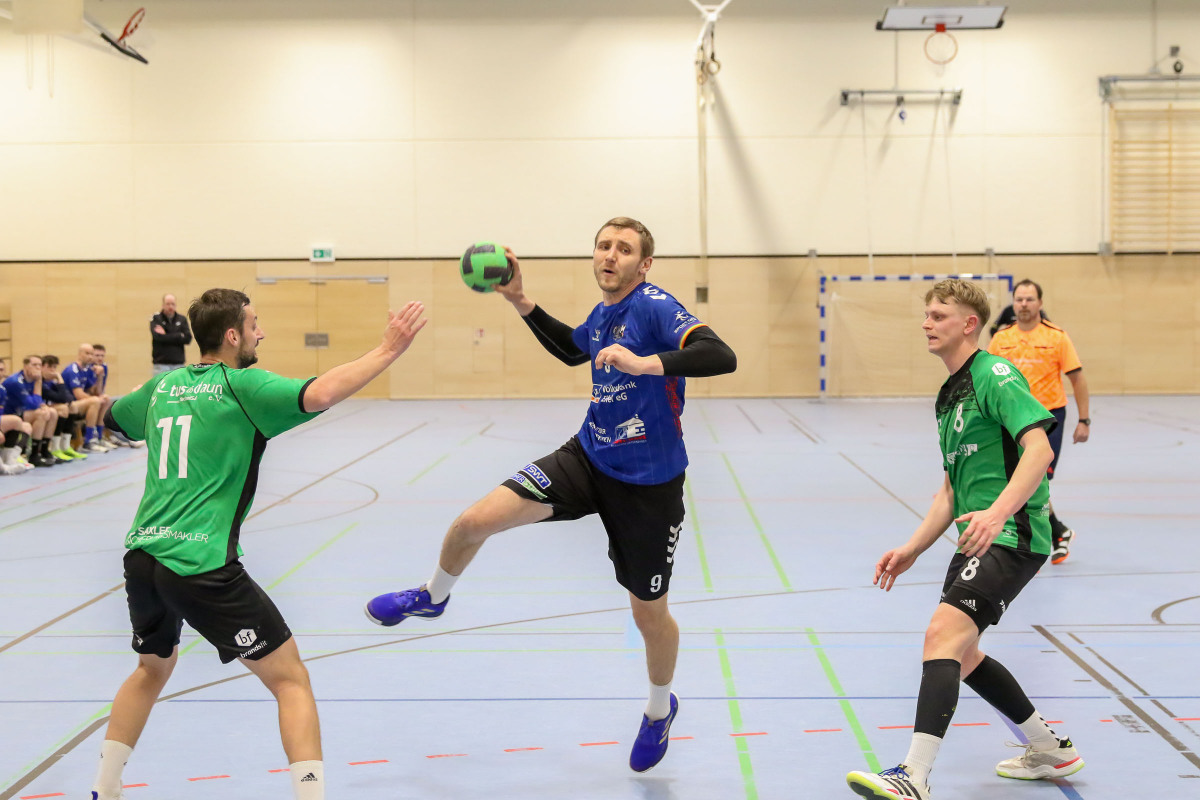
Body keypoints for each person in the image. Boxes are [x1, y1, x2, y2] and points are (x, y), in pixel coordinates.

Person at [365, 217, 737, 774]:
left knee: (649, 615)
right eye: (603, 245)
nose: (610, 255)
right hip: (588, 457)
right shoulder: (605, 313)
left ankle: (660, 711)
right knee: (473, 521)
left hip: (649, 488)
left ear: (644, 264)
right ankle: (433, 596)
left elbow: (721, 354)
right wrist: (519, 299)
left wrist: (646, 363)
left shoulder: (656, 307)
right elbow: (572, 350)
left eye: (624, 249)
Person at [90, 288, 427, 800]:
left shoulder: (164, 386)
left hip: (143, 557)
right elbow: (321, 393)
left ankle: (103, 788)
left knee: (151, 667)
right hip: (200, 562)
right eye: (254, 325)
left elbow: (113, 416)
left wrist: (150, 394)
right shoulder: (242, 385)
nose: (260, 333)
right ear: (232, 335)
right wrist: (388, 349)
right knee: (290, 681)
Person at [845, 280, 1083, 800]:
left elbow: (1039, 451)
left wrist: (998, 514)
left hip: (1012, 533)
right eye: (926, 315)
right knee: (964, 652)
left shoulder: (995, 374)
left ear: (969, 323)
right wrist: (912, 548)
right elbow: (950, 490)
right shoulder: (948, 395)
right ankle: (1049, 748)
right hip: (974, 538)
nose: (926, 324)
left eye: (938, 315)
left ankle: (913, 775)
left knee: (941, 638)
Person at [987, 279, 1089, 564]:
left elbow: (1077, 378)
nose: (1024, 304)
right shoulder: (1001, 339)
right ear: (1013, 303)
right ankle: (1056, 533)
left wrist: (1084, 419)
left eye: (1030, 299)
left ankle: (1037, 540)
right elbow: (988, 379)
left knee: (1034, 478)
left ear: (1040, 303)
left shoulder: (1057, 337)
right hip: (1012, 419)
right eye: (1019, 299)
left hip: (1048, 418)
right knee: (1024, 479)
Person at [2, 355, 58, 467]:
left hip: (21, 413)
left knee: (52, 412)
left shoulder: (32, 379)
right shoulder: (16, 382)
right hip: (9, 414)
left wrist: (43, 405)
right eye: (34, 365)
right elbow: (32, 404)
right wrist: (39, 382)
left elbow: (39, 401)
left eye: (40, 365)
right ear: (25, 366)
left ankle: (44, 450)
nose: (38, 368)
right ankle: (34, 454)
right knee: (41, 414)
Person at [62, 343, 112, 453]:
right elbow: (79, 395)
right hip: (69, 405)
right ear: (80, 354)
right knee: (95, 401)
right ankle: (88, 441)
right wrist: (96, 399)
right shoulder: (73, 370)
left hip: (79, 404)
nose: (90, 357)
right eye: (87, 353)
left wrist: (100, 376)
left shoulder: (86, 370)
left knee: (105, 399)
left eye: (91, 354)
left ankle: (99, 438)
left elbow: (96, 392)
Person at [39, 354, 88, 461]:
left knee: (73, 406)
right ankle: (55, 447)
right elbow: (60, 397)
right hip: (39, 410)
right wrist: (59, 378)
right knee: (63, 409)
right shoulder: (40, 382)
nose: (53, 370)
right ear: (42, 367)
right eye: (49, 367)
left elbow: (68, 397)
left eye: (54, 367)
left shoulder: (51, 381)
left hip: (48, 409)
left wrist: (58, 381)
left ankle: (65, 446)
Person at [0, 358, 35, 475]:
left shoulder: (2, 390)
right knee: (15, 421)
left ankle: (10, 458)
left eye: (2, 370)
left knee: (23, 425)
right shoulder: (15, 382)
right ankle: (4, 468)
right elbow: (33, 404)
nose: (0, 373)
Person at [150, 293, 193, 374]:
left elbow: (188, 338)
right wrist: (179, 335)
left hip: (178, 365)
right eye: (168, 304)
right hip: (161, 365)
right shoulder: (156, 319)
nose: (170, 306)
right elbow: (158, 337)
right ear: (163, 305)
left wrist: (165, 334)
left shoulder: (182, 319)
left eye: (173, 304)